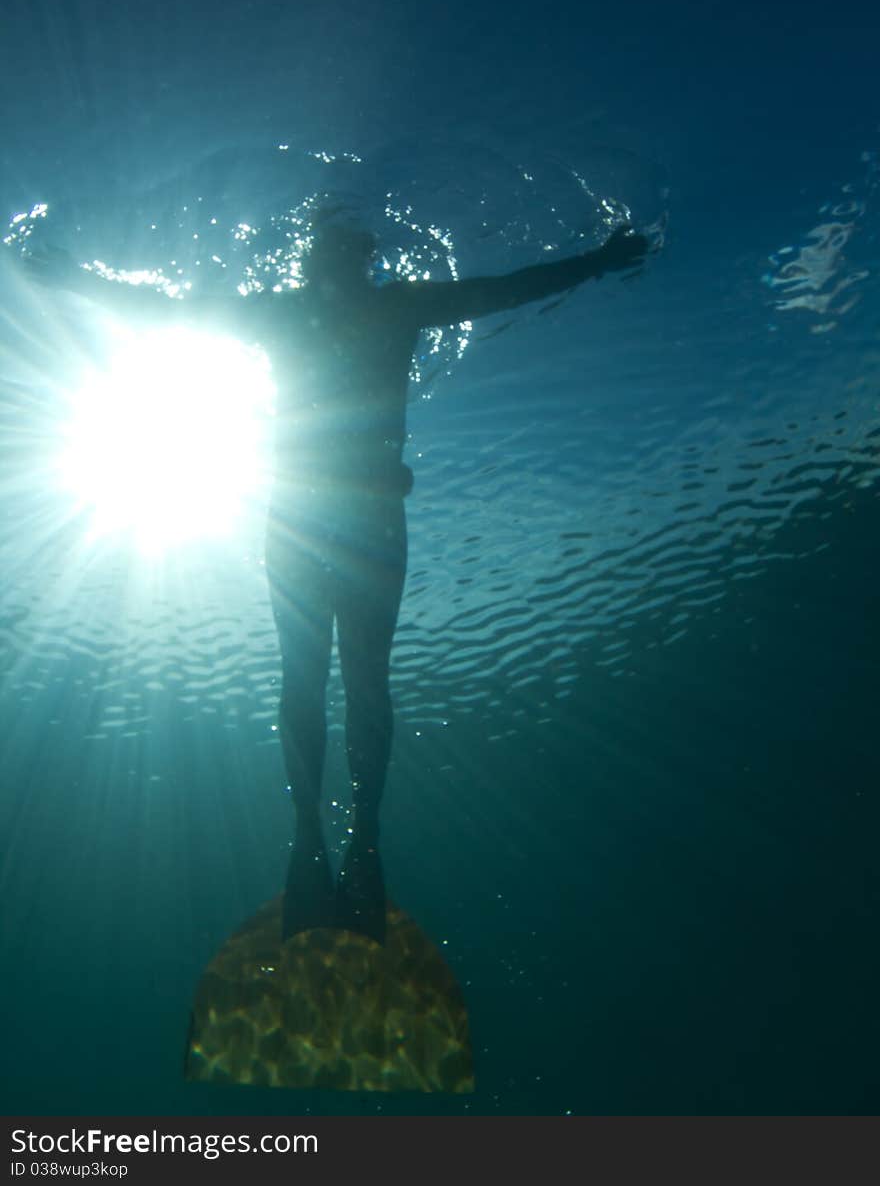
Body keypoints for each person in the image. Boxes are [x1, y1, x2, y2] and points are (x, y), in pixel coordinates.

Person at [23, 211, 648, 945]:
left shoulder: (317, 311)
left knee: (322, 681)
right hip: (361, 519)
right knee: (351, 682)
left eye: (328, 250)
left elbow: (169, 313)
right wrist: (598, 261)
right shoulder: (392, 305)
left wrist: (73, 280)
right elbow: (506, 290)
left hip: (311, 519)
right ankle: (346, 839)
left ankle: (326, 840)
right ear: (359, 256)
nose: (326, 264)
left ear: (330, 258)